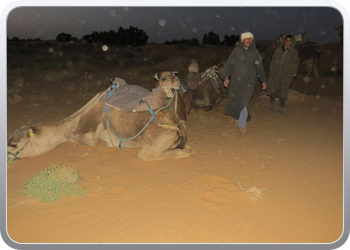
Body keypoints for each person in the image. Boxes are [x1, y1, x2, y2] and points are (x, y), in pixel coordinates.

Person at [221, 31, 267, 136]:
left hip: (249, 83)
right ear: (242, 40)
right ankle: (237, 118)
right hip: (236, 82)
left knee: (244, 103)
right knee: (236, 101)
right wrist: (226, 78)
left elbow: (260, 68)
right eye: (246, 39)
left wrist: (263, 80)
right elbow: (229, 65)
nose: (248, 41)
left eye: (250, 39)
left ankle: (242, 125)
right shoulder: (236, 51)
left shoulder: (255, 53)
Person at [265, 34, 300, 114]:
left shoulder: (294, 52)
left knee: (283, 91)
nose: (288, 42)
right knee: (272, 89)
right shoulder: (278, 50)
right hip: (275, 73)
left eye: (289, 41)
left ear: (292, 42)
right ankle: (271, 105)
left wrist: (293, 73)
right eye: (286, 40)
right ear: (284, 41)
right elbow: (273, 60)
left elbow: (296, 63)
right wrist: (271, 70)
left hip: (287, 75)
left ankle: (281, 107)